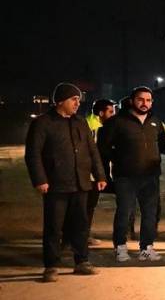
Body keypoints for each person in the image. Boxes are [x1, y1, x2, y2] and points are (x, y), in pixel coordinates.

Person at [25, 83, 107, 282]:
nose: (77, 103)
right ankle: (51, 266)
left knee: (80, 225)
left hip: (80, 183)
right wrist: (40, 179)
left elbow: (92, 150)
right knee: (54, 226)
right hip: (55, 184)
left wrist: (100, 175)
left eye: (79, 99)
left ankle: (82, 261)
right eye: (73, 99)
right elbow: (33, 154)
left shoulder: (80, 122)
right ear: (60, 101)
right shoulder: (43, 123)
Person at [97, 86, 165, 262]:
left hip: (151, 177)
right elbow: (103, 150)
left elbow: (161, 143)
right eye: (141, 99)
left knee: (150, 213)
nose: (145, 103)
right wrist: (109, 170)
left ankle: (146, 247)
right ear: (132, 100)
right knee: (124, 213)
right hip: (125, 177)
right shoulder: (117, 122)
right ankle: (120, 247)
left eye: (148, 100)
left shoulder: (155, 122)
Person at [84, 98, 116, 242]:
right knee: (87, 206)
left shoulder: (90, 123)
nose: (113, 115)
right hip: (89, 176)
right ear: (101, 113)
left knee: (88, 206)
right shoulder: (94, 129)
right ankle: (80, 237)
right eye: (111, 112)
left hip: (93, 175)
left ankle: (82, 236)